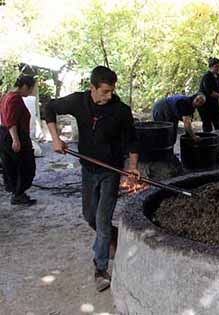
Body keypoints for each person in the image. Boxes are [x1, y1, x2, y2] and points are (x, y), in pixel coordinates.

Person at [44, 66, 139, 292]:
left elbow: (133, 141)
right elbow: (49, 108)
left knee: (102, 219)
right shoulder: (79, 102)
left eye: (112, 91)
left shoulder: (120, 110)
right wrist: (55, 139)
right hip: (88, 169)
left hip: (111, 171)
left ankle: (100, 269)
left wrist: (133, 166)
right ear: (92, 88)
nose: (109, 96)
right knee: (90, 216)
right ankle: (114, 238)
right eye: (105, 91)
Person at [0, 76, 37, 206]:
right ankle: (18, 194)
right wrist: (15, 139)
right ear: (25, 87)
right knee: (25, 165)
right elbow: (11, 120)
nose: (31, 92)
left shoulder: (7, 96)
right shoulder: (14, 99)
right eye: (31, 89)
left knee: (12, 165)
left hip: (6, 134)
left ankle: (17, 192)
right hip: (15, 135)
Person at [198, 57, 219, 132]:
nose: (218, 68)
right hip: (204, 105)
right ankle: (208, 142)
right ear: (211, 66)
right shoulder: (206, 77)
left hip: (214, 103)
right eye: (216, 66)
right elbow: (211, 93)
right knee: (207, 125)